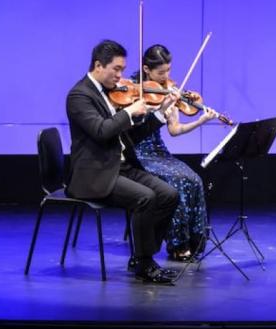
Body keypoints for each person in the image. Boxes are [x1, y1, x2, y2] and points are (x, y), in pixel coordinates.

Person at [66, 40, 180, 284]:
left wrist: (160, 112)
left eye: (122, 69)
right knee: (145, 198)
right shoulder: (79, 96)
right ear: (98, 65)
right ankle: (145, 263)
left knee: (169, 195)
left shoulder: (111, 93)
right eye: (116, 69)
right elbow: (100, 131)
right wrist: (128, 113)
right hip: (94, 174)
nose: (121, 76)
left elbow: (130, 136)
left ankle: (142, 255)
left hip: (120, 167)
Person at [132, 44, 219, 261]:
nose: (166, 77)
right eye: (160, 72)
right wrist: (155, 109)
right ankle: (178, 245)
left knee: (194, 179)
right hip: (137, 152)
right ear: (146, 69)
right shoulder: (132, 91)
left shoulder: (169, 91)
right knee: (177, 181)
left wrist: (200, 120)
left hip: (159, 151)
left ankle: (195, 241)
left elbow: (174, 131)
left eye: (168, 71)